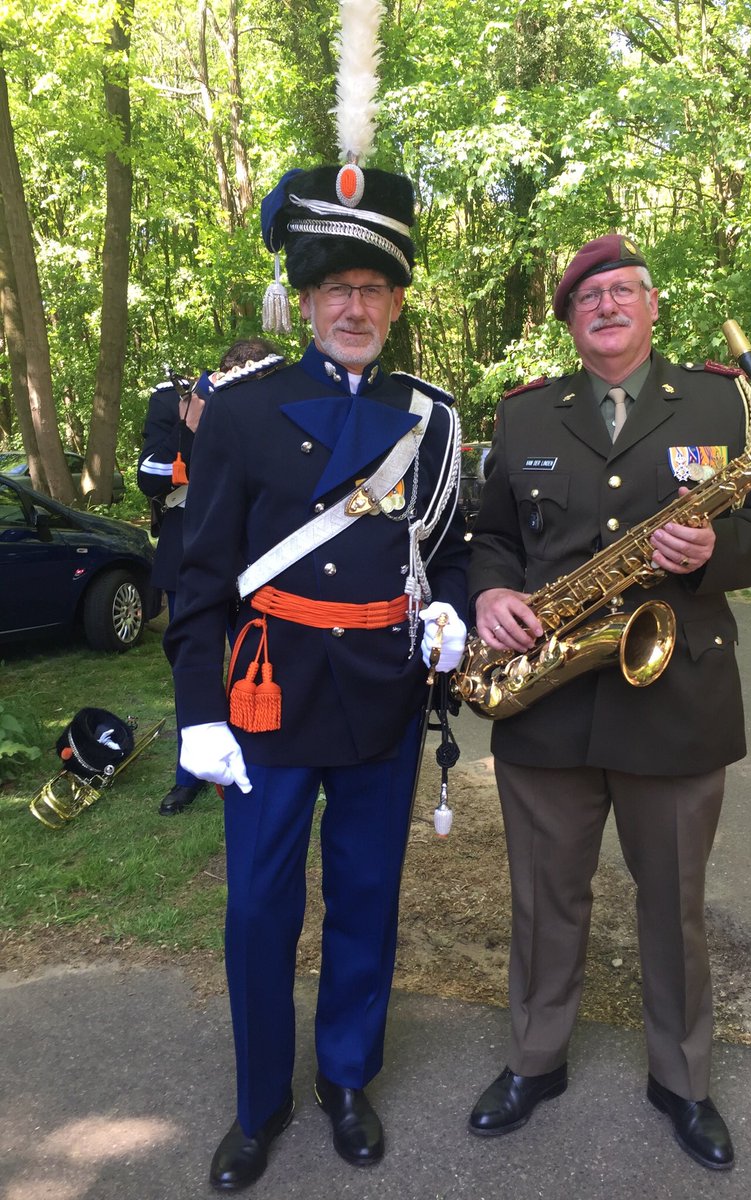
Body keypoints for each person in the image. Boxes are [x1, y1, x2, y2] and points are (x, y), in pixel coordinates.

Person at [465, 233, 751, 1170]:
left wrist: (717, 557)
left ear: (654, 306)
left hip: (678, 694)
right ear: (571, 321)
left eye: (623, 291)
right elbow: (489, 537)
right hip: (549, 700)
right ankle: (535, 1062)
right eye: (588, 298)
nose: (607, 306)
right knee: (544, 900)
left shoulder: (723, 403)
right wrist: (492, 593)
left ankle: (683, 1080)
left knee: (675, 903)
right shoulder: (526, 417)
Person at [163, 162, 468, 1191]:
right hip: (266, 698)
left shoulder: (429, 416)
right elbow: (200, 572)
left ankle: (345, 1077)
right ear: (302, 299)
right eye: (334, 287)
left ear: (396, 300)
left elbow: (452, 548)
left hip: (382, 692)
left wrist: (450, 608)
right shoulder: (246, 412)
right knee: (257, 908)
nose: (354, 305)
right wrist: (198, 711)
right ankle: (260, 1104)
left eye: (373, 288)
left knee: (367, 897)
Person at [138, 337, 283, 816]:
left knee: (258, 664)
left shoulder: (276, 402)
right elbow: (149, 477)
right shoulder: (174, 401)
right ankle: (191, 772)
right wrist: (194, 434)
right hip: (190, 552)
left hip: (255, 558)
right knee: (194, 664)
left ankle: (259, 758)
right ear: (223, 371)